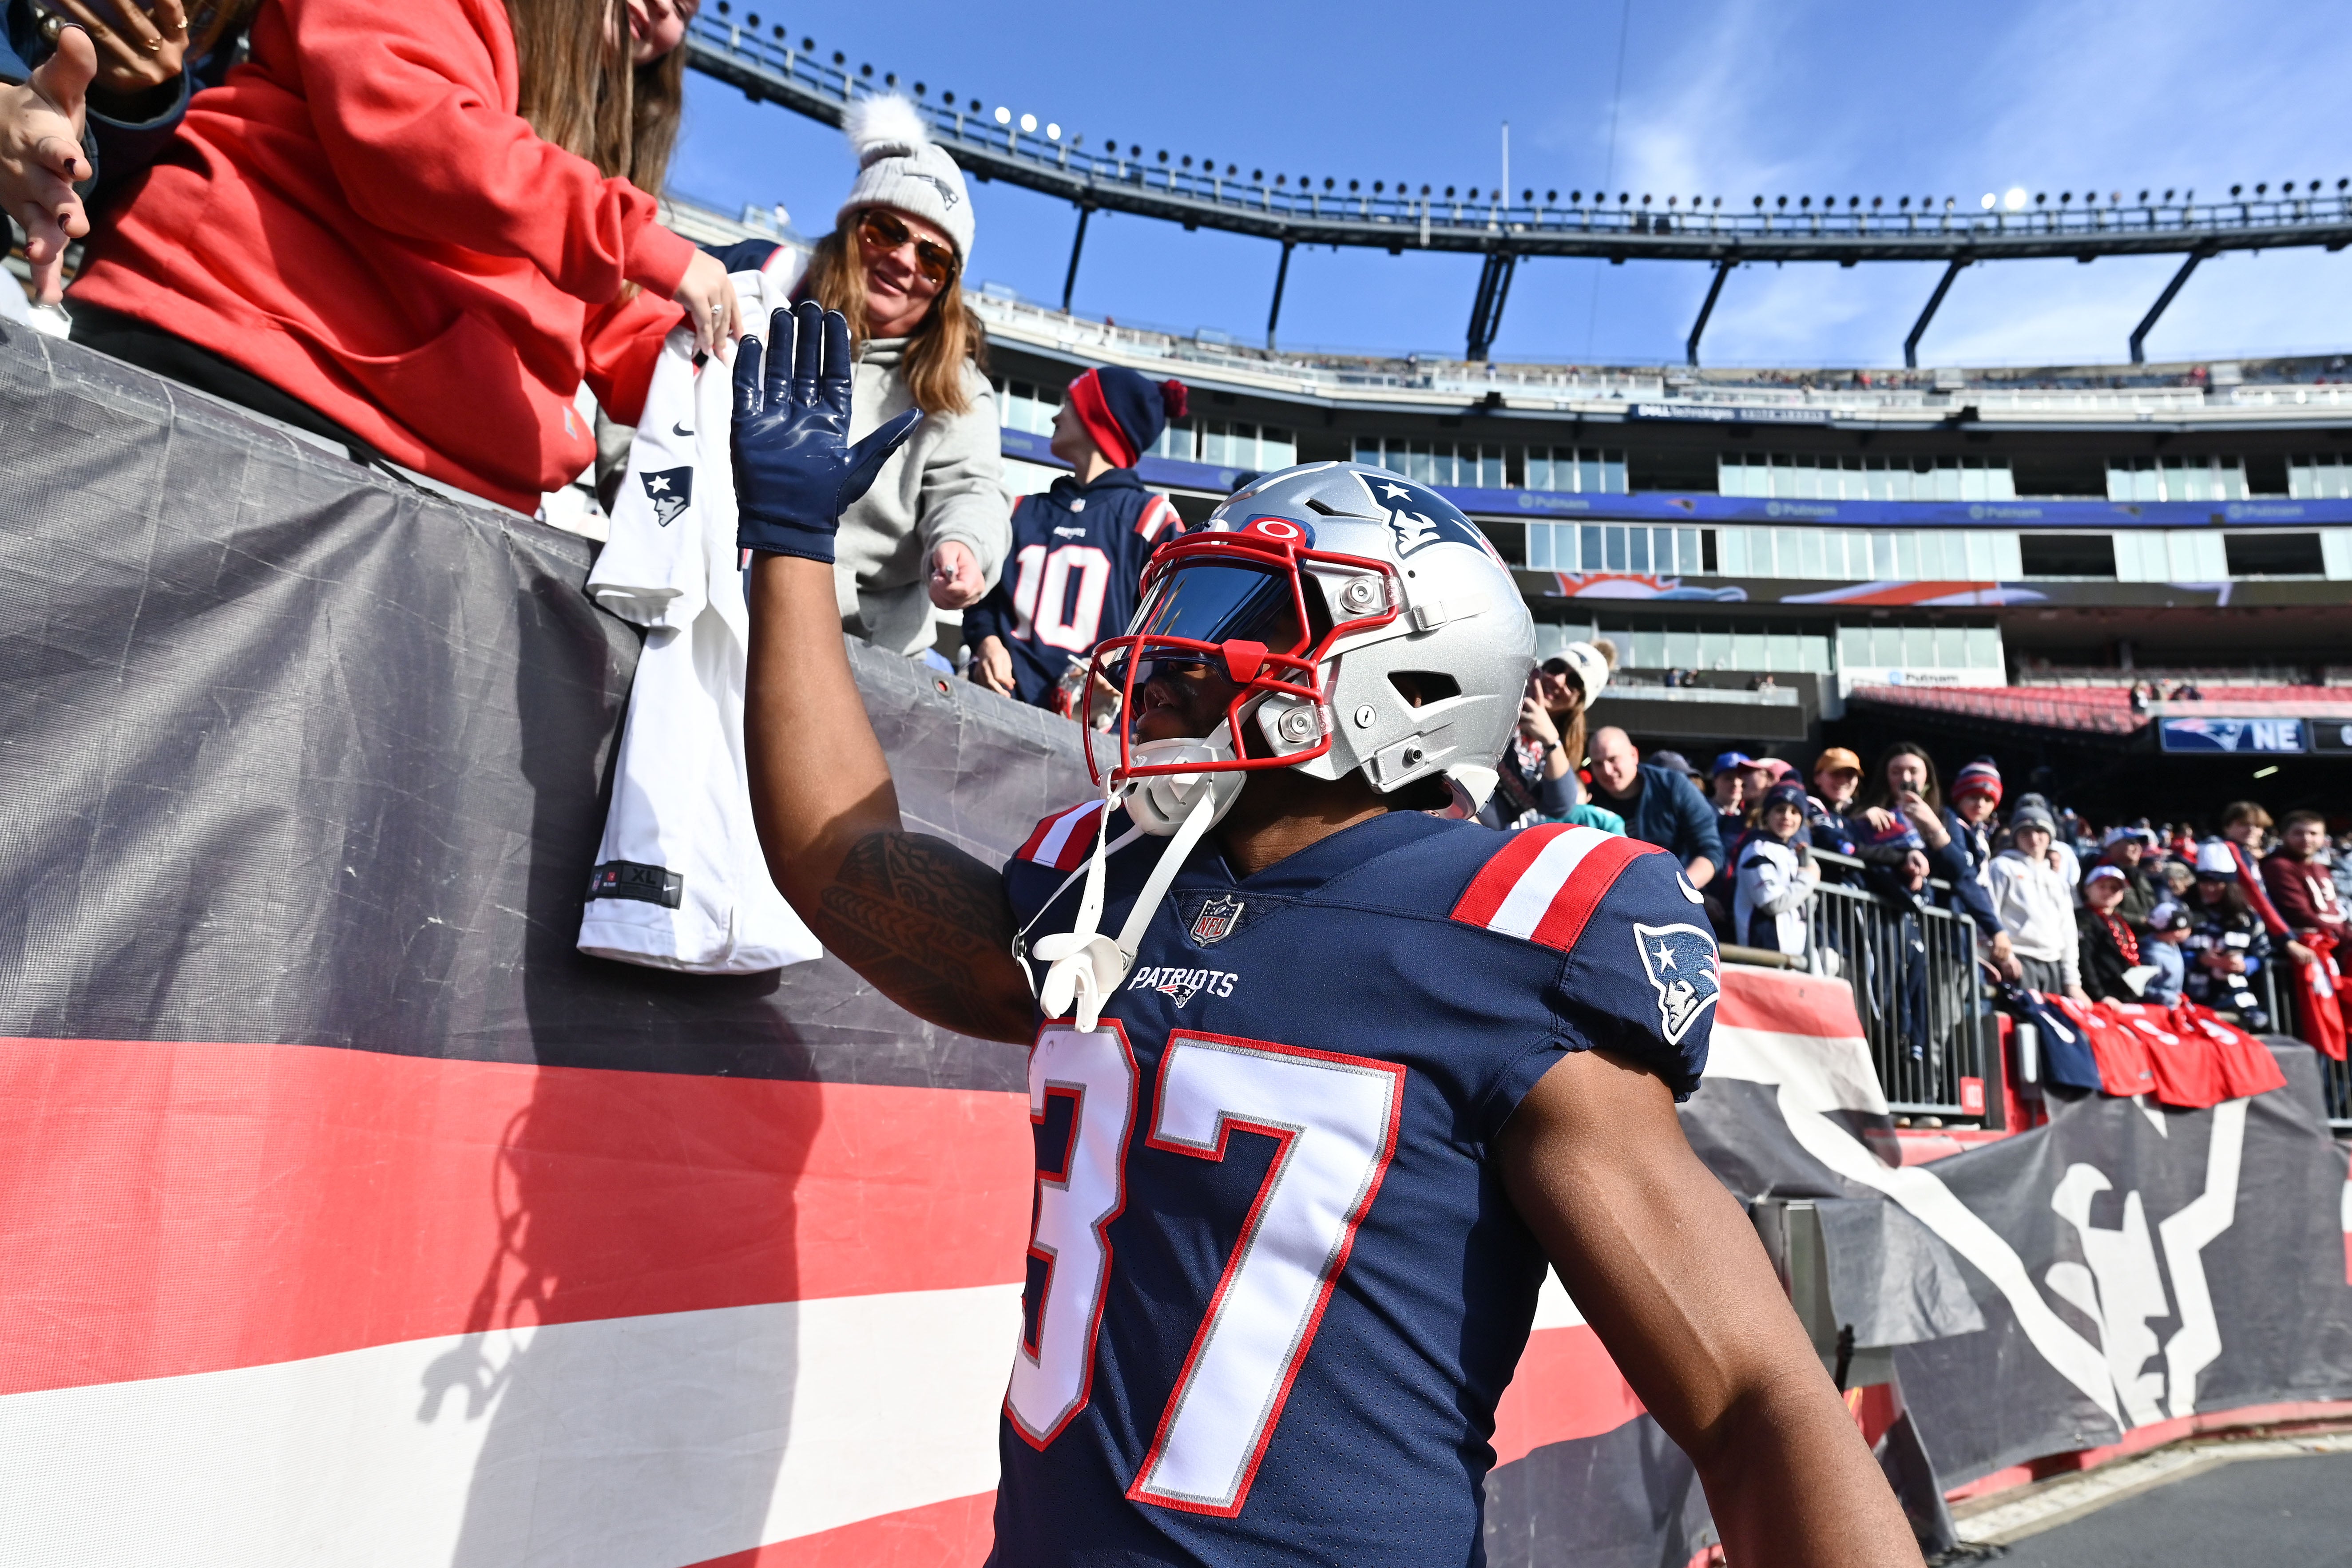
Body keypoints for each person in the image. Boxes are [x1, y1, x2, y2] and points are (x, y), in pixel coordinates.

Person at [724, 338, 1921, 1567]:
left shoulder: (1506, 932)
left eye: (1233, 613)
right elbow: (841, 863)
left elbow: (1752, 1398)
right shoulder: (1116, 889)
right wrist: (794, 547)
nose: (1170, 653)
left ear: (1400, 676)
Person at [63, 0, 730, 513]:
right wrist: (637, 240)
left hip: (449, 491)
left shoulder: (591, 144)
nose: (671, 9)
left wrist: (730, 381)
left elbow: (616, 324)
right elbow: (413, 138)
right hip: (253, 378)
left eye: (693, 8)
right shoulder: (600, 213)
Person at [792, 96, 1009, 654]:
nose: (905, 260)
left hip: (865, 651)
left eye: (933, 258)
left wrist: (962, 543)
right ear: (850, 229)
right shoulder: (767, 312)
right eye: (885, 230)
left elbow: (971, 489)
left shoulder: (958, 387)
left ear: (946, 286)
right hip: (722, 602)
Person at [963, 366, 1187, 709]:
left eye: (1068, 402)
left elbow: (1176, 623)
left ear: (1099, 416)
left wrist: (1127, 675)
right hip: (1001, 711)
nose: (1055, 416)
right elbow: (981, 602)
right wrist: (987, 643)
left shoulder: (1152, 519)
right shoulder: (1020, 510)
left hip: (1094, 737)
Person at [1490, 639, 1613, 827]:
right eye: (1556, 668)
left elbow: (1560, 806)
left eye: (1573, 682)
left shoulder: (1561, 748)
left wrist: (1551, 741)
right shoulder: (1506, 696)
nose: (1558, 680)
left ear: (1580, 702)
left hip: (1490, 833)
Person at [1587, 726, 1726, 889]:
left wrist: (1678, 892)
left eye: (1613, 760)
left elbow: (1710, 851)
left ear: (1634, 755)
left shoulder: (1673, 787)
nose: (1607, 771)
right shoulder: (1587, 798)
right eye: (1597, 764)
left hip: (1673, 893)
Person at [2261, 809, 2347, 1048]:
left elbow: (2334, 910)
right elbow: (2298, 912)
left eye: (2313, 833)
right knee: (2313, 1033)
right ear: (2284, 835)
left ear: (2324, 837)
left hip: (2334, 954)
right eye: (2299, 833)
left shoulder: (2321, 868)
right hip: (2305, 964)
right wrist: (2343, 934)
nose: (2307, 839)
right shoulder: (2278, 866)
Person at [1987, 803, 2086, 1002]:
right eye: (2025, 832)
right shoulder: (2001, 867)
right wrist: (2004, 957)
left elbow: (2068, 933)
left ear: (2050, 836)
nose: (2034, 838)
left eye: (2040, 831)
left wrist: (2072, 981)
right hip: (2017, 962)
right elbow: (1990, 915)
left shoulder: (2058, 881)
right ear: (2015, 836)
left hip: (2053, 966)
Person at [2186, 840, 2273, 1030]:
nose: (2210, 888)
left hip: (2237, 998)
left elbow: (2263, 950)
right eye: (2205, 882)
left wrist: (2246, 965)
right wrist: (2199, 960)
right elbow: (2166, 947)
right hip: (2192, 996)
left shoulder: (2246, 917)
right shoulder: (2184, 910)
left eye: (2217, 883)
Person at [1734, 780, 1818, 962]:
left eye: (1795, 812)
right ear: (1767, 815)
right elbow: (1772, 903)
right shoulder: (1756, 849)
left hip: (1794, 959)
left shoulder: (1795, 854)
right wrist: (1809, 879)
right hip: (1765, 956)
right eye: (1780, 810)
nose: (1787, 817)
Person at [2077, 865, 2149, 1002]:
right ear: (2087, 889)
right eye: (2102, 886)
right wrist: (2100, 995)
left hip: (2120, 997)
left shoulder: (2118, 920)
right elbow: (2084, 960)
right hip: (2099, 998)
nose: (2108, 892)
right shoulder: (2084, 918)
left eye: (2114, 888)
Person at [2094, 825, 2162, 928]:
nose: (2138, 847)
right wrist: (2141, 921)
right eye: (2132, 842)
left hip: (2146, 934)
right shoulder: (2101, 874)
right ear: (2113, 845)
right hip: (2118, 936)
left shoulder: (2138, 874)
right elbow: (2103, 909)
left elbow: (2151, 904)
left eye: (2139, 843)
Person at [2141, 902, 2191, 1006]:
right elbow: (2142, 990)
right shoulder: (2152, 955)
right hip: (2156, 1011)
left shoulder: (2172, 945)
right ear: (2177, 932)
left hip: (2173, 1007)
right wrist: (2169, 998)